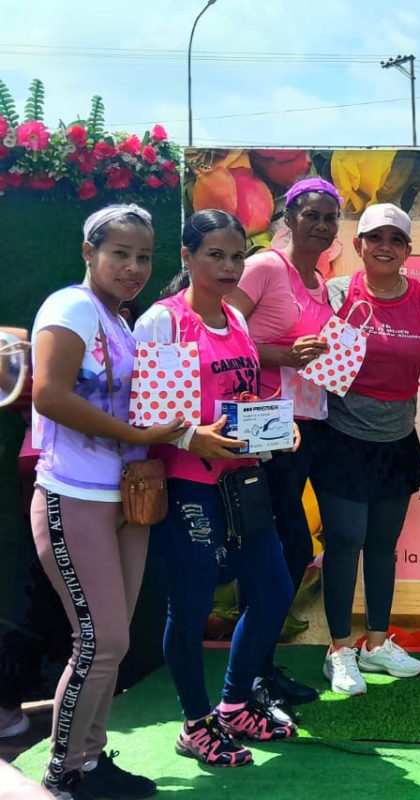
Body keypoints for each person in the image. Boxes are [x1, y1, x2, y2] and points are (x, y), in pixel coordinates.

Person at [29, 204, 187, 799]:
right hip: (74, 495)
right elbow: (48, 394)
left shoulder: (122, 322)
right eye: (119, 253)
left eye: (143, 256)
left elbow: (143, 405)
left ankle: (90, 762)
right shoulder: (71, 307)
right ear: (88, 252)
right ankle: (62, 774)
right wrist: (139, 437)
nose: (133, 266)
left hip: (125, 498)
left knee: (112, 642)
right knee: (97, 642)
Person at [135, 210, 298, 767]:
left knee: (274, 590)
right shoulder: (163, 321)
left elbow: (241, 396)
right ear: (187, 257)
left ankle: (232, 705)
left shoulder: (235, 317)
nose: (229, 267)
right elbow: (143, 415)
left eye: (236, 256)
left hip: (243, 481)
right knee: (191, 607)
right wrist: (189, 437)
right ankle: (195, 723)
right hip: (188, 486)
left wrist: (278, 423)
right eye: (215, 255)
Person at [311, 202, 420, 696]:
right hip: (341, 439)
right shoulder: (334, 294)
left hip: (398, 443)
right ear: (359, 246)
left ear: (408, 250)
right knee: (345, 540)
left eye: (395, 240)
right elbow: (310, 360)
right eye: (375, 238)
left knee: (382, 548)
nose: (385, 247)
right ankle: (338, 650)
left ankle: (374, 644)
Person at [226, 177, 341, 710]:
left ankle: (260, 670)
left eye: (329, 217)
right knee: (284, 547)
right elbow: (220, 333)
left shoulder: (318, 281)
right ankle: (249, 679)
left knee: (284, 549)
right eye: (311, 214)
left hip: (309, 424)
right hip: (264, 421)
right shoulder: (265, 267)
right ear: (288, 217)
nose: (321, 225)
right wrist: (280, 355)